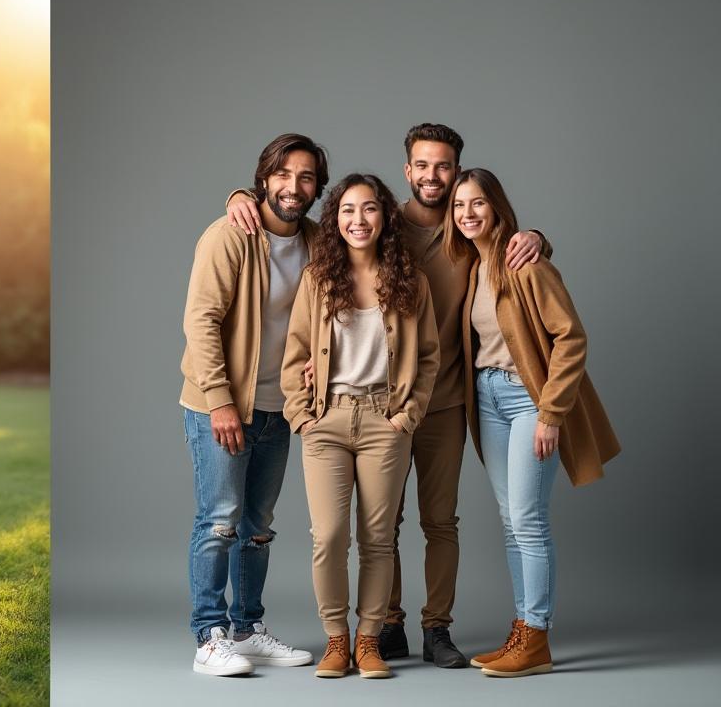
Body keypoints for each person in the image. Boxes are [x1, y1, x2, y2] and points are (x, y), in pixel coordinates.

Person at [228, 123, 547, 667]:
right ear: (407, 170)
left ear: (455, 170)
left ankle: (435, 628)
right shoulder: (381, 220)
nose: (433, 176)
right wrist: (241, 196)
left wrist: (537, 238)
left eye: (443, 166)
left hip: (437, 399)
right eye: (422, 165)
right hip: (360, 407)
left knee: (437, 521)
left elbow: (505, 238)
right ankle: (384, 627)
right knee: (375, 526)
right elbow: (311, 226)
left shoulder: (466, 223)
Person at [445, 168, 619, 677]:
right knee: (510, 518)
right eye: (459, 207)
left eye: (478, 203)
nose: (468, 214)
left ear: (497, 207)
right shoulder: (474, 268)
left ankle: (536, 635)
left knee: (528, 519)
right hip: (488, 396)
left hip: (528, 400)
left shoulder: (524, 263)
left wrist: (550, 411)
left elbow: (572, 338)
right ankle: (522, 631)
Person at [281, 173, 439, 680]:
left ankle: (369, 640)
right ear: (335, 220)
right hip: (327, 420)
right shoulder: (318, 279)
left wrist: (405, 418)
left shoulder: (410, 280)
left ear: (384, 217)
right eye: (348, 210)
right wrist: (301, 416)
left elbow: (430, 357)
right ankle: (336, 639)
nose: (358, 220)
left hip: (383, 421)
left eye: (369, 209)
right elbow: (295, 355)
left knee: (377, 538)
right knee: (328, 536)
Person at [179, 133, 323, 676]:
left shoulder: (316, 241)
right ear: (264, 178)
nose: (293, 186)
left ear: (316, 187)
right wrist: (219, 402)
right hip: (221, 403)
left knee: (258, 525)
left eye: (305, 176)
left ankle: (248, 629)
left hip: (279, 406)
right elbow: (201, 321)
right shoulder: (229, 235)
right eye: (283, 174)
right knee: (219, 520)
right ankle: (209, 636)